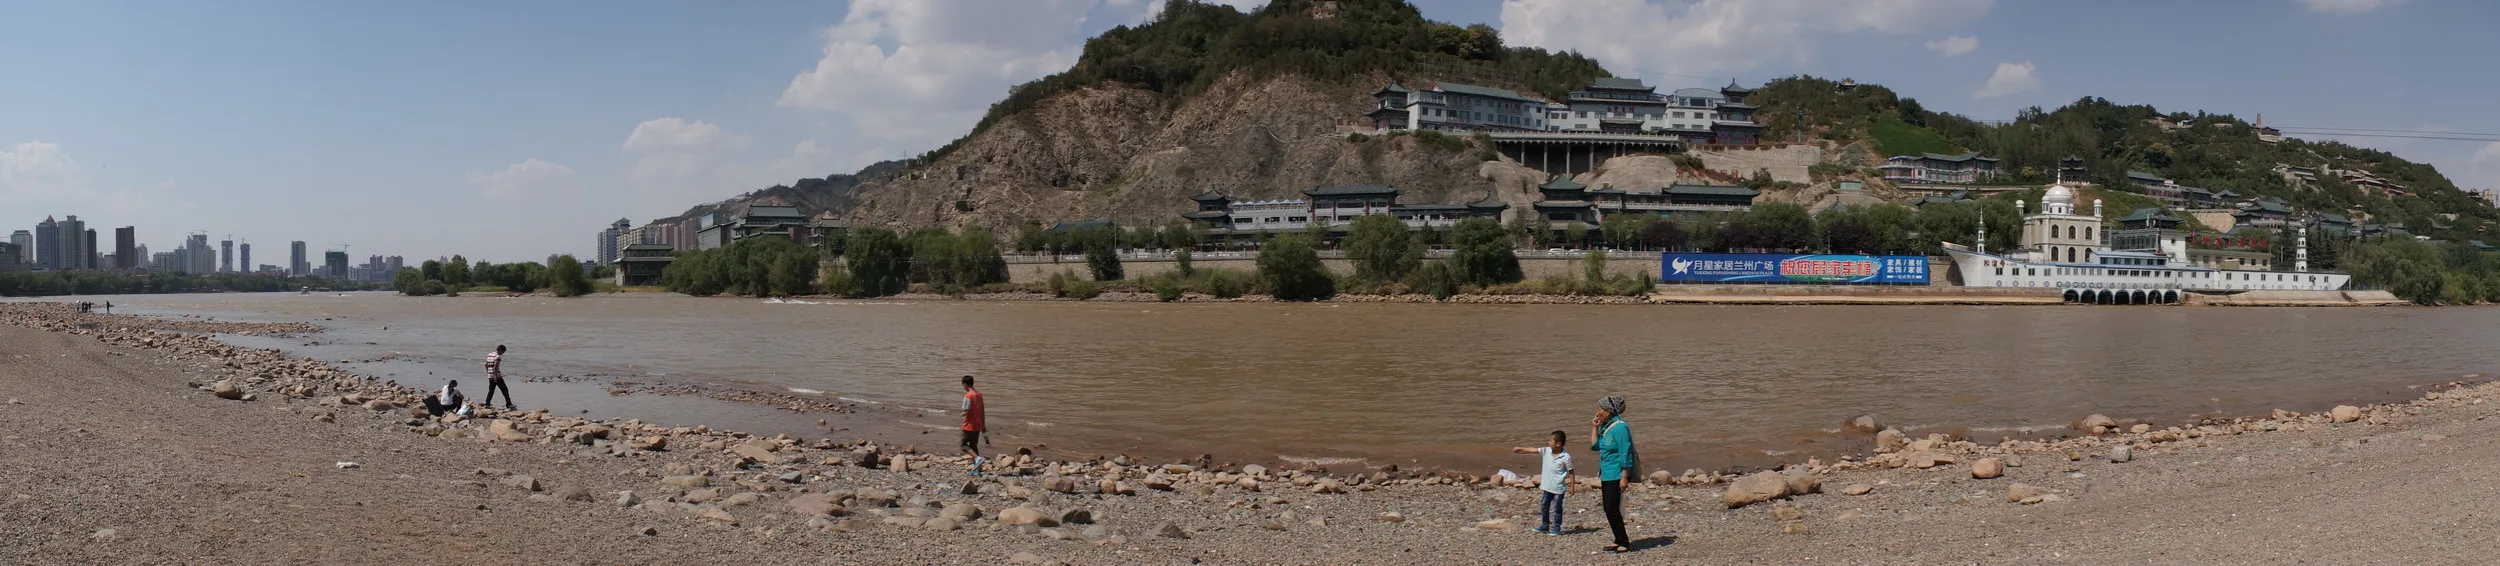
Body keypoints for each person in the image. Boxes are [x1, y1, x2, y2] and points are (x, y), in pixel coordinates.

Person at [1590, 396, 1637, 553]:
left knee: (1611, 508)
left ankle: (1624, 541)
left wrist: (1625, 476)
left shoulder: (1620, 428)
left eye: (1600, 409)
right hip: (1606, 473)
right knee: (1609, 508)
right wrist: (1595, 427)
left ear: (1609, 411)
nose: (1597, 412)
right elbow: (1594, 447)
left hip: (1617, 474)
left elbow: (1626, 452)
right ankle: (1619, 539)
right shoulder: (1606, 427)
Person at [1511, 430, 1575, 536]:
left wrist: (1572, 487)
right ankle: (1545, 525)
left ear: (1558, 444)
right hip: (1547, 487)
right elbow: (1533, 450)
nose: (1548, 443)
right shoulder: (1546, 451)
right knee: (1544, 505)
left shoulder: (1566, 457)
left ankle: (1557, 528)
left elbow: (1571, 472)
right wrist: (1520, 449)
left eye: (1550, 441)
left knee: (1557, 509)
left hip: (1558, 488)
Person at [960, 375, 993, 474]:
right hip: (978, 425)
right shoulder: (979, 395)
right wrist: (983, 426)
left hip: (969, 425)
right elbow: (982, 411)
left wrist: (962, 414)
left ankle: (978, 459)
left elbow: (966, 410)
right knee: (974, 445)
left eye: (963, 385)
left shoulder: (968, 396)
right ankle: (978, 468)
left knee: (963, 445)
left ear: (965, 384)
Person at [482, 345, 514, 411]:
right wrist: (495, 376)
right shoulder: (498, 357)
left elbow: (486, 365)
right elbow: (495, 367)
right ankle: (509, 404)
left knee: (491, 390)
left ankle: (487, 404)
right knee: (504, 389)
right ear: (501, 351)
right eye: (503, 352)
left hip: (490, 375)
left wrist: (489, 372)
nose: (502, 354)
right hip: (497, 376)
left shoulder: (490, 354)